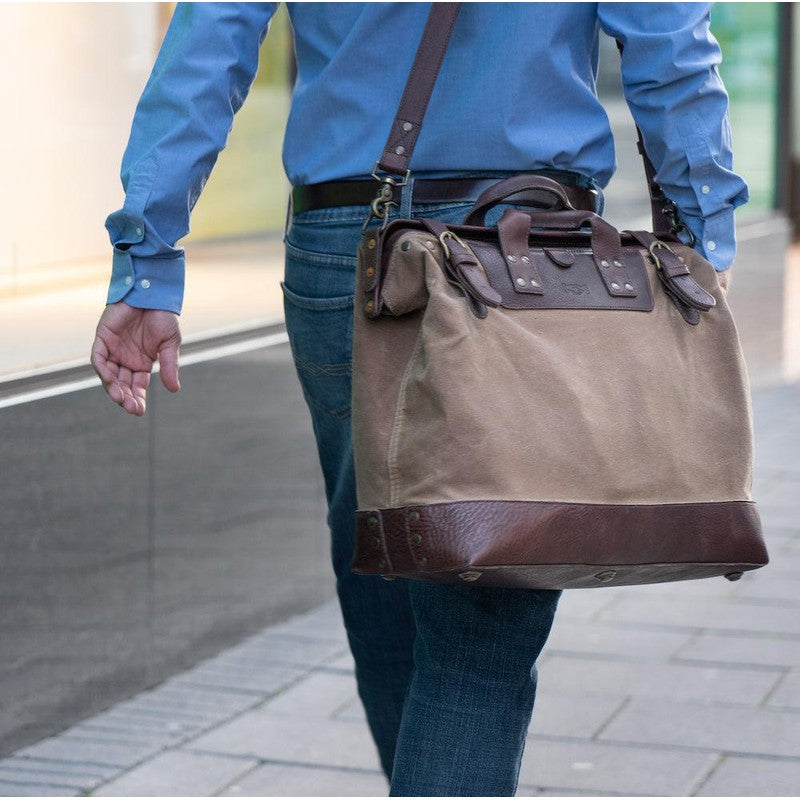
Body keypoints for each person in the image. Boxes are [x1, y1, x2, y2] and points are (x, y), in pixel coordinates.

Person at [90, 3, 748, 795]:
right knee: (478, 638)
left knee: (383, 563)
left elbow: (213, 36)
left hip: (348, 243)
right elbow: (669, 42)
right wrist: (705, 239)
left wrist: (147, 256)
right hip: (523, 254)